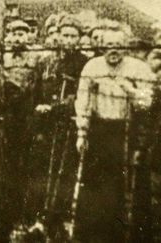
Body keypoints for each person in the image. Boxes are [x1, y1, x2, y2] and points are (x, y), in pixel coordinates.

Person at [74, 28, 157, 242]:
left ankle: (126, 233)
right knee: (97, 187)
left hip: (126, 132)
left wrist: (128, 89)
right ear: (102, 46)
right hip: (99, 131)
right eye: (109, 45)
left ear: (126, 46)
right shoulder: (92, 67)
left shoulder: (138, 68)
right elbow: (82, 100)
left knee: (128, 185)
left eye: (118, 45)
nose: (113, 50)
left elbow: (146, 102)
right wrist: (81, 133)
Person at [34, 14, 88, 241]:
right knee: (43, 170)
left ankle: (57, 221)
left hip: (68, 125)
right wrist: (38, 109)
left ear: (79, 38)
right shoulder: (46, 61)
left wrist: (55, 107)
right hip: (45, 126)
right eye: (64, 35)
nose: (67, 40)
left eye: (72, 36)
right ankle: (40, 219)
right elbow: (37, 90)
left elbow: (79, 96)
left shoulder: (84, 62)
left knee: (63, 172)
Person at [0, 19, 43, 242]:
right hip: (7, 117)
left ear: (29, 36)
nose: (17, 38)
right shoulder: (3, 58)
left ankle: (26, 216)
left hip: (27, 117)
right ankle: (7, 214)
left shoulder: (38, 58)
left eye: (21, 34)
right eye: (13, 34)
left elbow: (37, 87)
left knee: (27, 166)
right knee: (7, 166)